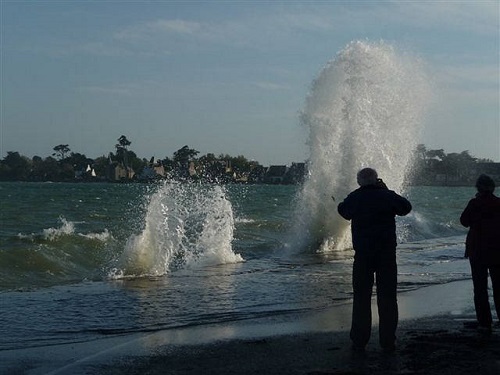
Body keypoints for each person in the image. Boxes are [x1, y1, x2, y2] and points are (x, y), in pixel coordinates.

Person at [337, 167, 412, 352]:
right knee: (387, 297)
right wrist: (386, 190)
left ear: (360, 181)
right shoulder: (386, 195)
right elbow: (406, 207)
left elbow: (343, 211)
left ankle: (360, 339)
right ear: (377, 180)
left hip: (363, 254)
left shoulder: (356, 197)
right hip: (386, 254)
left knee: (361, 297)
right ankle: (387, 340)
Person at [460, 174, 500, 332]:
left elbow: (464, 221)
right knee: (499, 286)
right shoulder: (499, 203)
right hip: (497, 250)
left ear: (478, 188)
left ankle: (484, 322)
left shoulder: (475, 203)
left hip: (478, 250)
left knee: (480, 287)